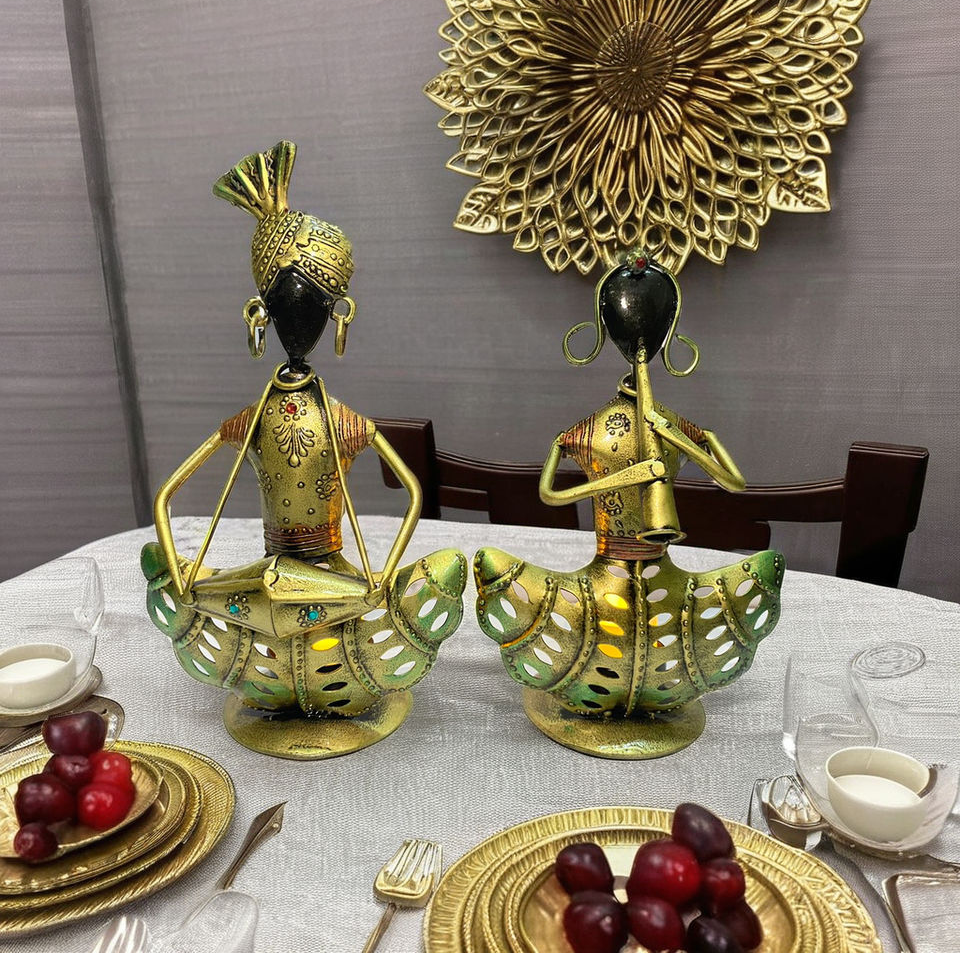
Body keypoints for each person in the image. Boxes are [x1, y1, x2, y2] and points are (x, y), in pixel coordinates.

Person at [142, 141, 465, 717]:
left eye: (309, 310)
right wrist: (379, 580)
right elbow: (414, 493)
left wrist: (186, 582)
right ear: (341, 314)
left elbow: (166, 496)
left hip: (297, 580)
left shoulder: (266, 419)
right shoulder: (338, 420)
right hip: (325, 583)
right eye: (296, 310)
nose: (300, 324)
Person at [474, 250, 783, 717]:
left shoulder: (636, 427)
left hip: (654, 565)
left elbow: (734, 482)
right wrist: (635, 473)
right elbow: (550, 495)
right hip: (609, 566)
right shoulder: (591, 431)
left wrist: (672, 436)